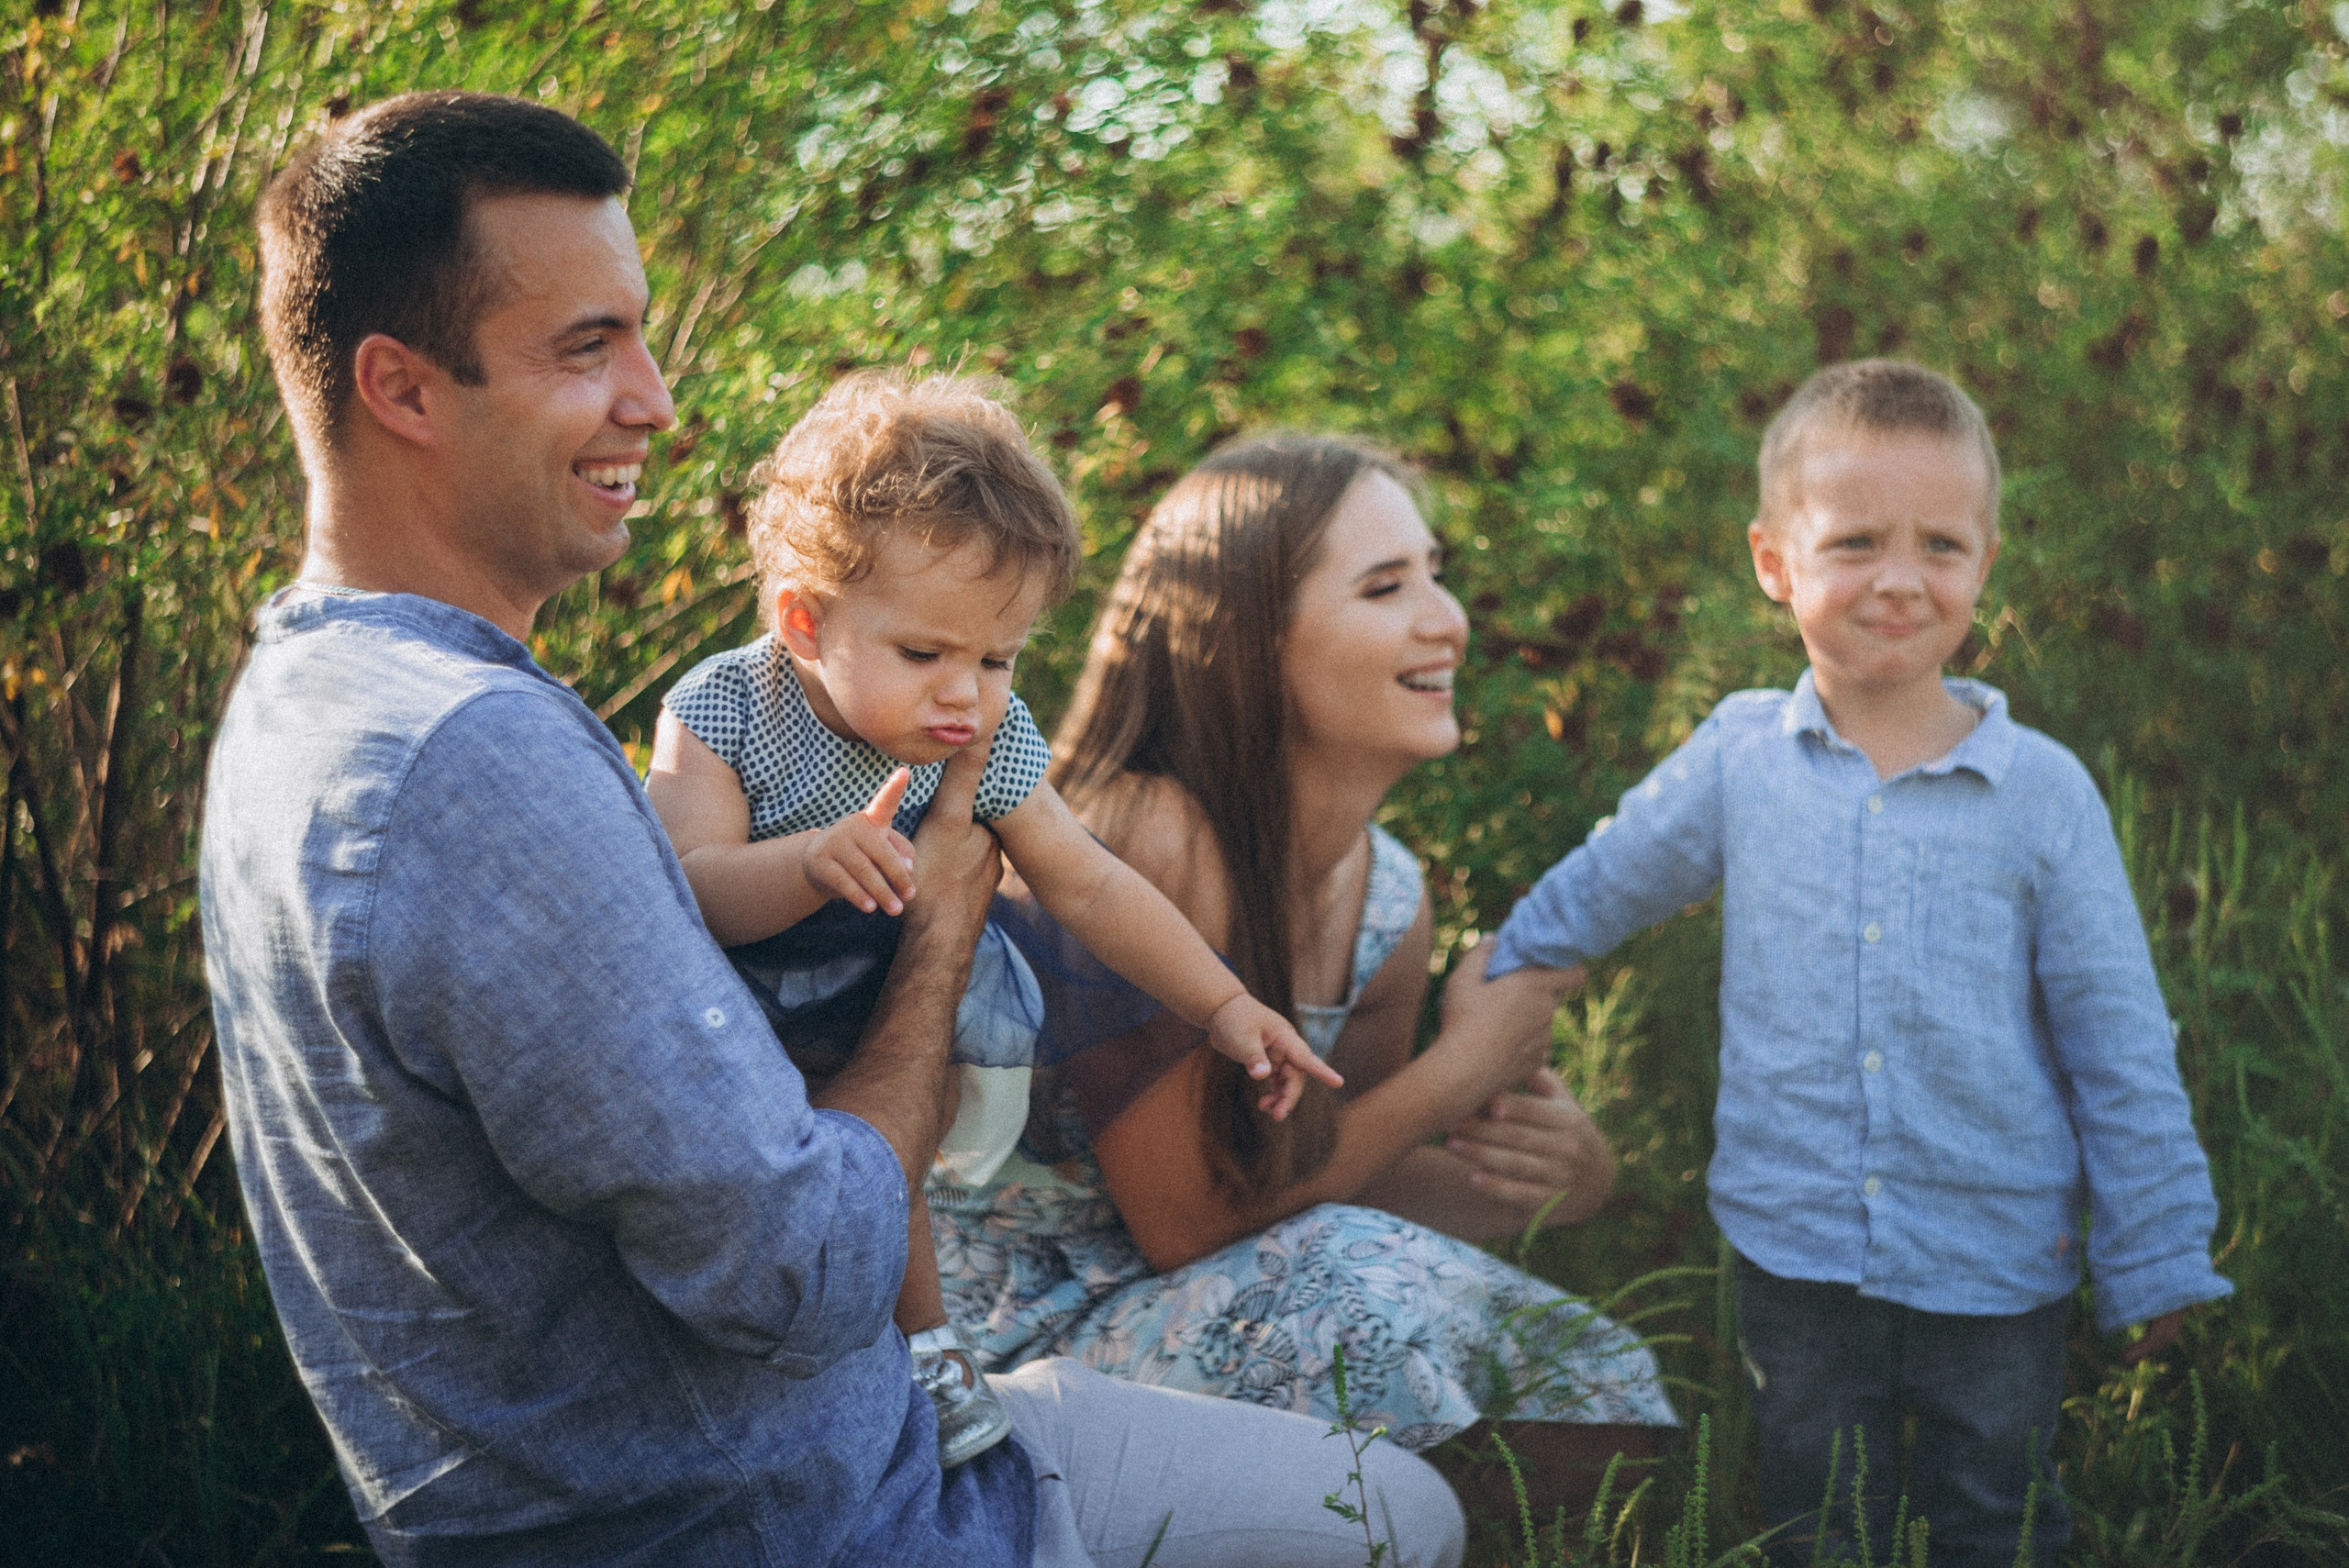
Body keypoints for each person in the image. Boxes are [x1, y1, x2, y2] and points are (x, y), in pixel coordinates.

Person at [201, 90, 1466, 1566]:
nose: (656, 401)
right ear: (403, 390)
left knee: (1397, 1497)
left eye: (643, 336)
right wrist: (938, 930)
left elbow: (1075, 882)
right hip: (811, 1519)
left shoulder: (305, 697)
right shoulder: (480, 756)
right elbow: (799, 1270)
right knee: (1396, 1524)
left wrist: (1225, 1003)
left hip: (808, 1459)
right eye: (587, 346)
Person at [1480, 360, 2234, 1566]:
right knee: (1817, 1518)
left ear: (1985, 562)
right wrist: (1499, 971)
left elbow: (2119, 1037)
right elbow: (1607, 879)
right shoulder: (1740, 757)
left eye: (1940, 544)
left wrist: (2156, 1251)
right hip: (1796, 1250)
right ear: (1774, 561)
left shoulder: (2040, 793)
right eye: (1854, 542)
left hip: (1996, 1256)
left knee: (1997, 1513)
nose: (1898, 577)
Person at [932, 433, 1678, 1523]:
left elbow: (1337, 1168)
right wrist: (1461, 1066)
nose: (1446, 618)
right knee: (1362, 1289)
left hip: (1202, 1302)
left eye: (1434, 573)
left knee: (1590, 1379)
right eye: (1385, 587)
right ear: (1245, 642)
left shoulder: (1387, 896)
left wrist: (1559, 1180)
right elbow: (1185, 1221)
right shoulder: (1137, 840)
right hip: (1007, 1356)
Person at [643, 369, 1340, 1468]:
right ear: (805, 621)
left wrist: (1223, 1002)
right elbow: (686, 885)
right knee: (765, 1195)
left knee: (889, 1171)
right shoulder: (725, 708)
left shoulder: (980, 731)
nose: (963, 691)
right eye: (925, 653)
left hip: (884, 1001)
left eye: (997, 656)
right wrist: (808, 860)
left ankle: (930, 1353)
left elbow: (1087, 881)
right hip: (740, 1007)